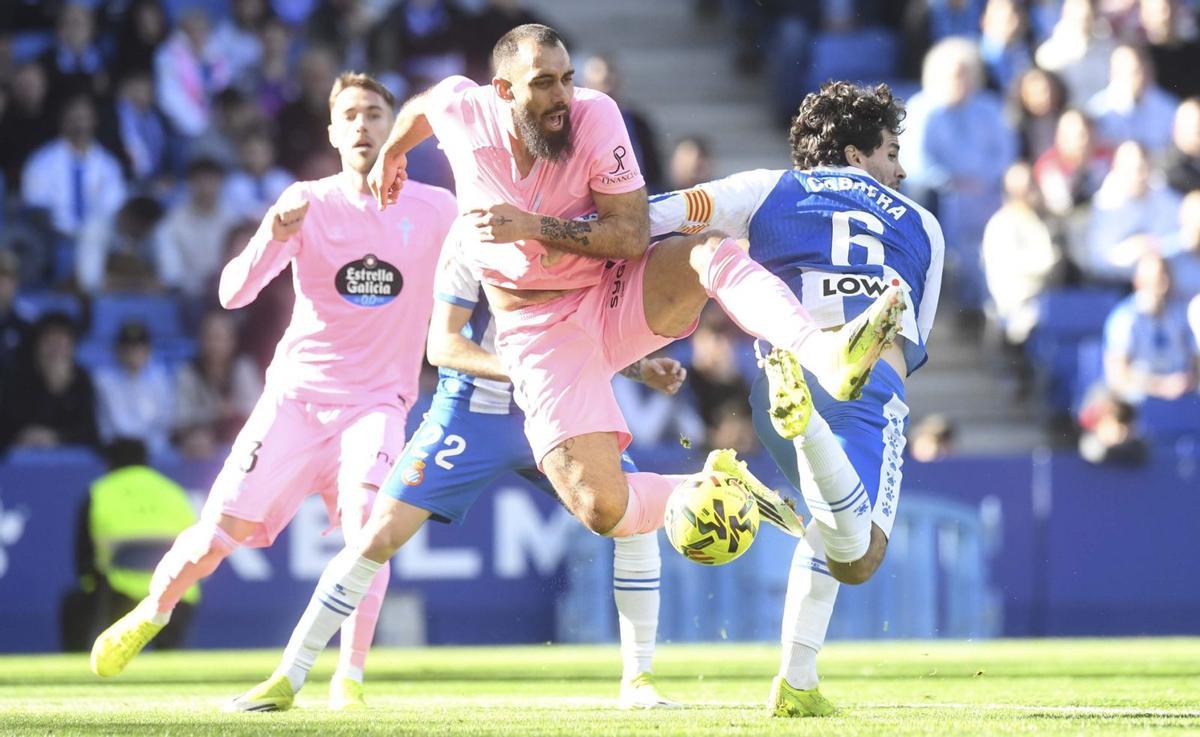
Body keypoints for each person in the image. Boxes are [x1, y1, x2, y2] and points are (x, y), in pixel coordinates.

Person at [227, 24, 906, 712]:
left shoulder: (595, 118)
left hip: (609, 290)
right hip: (534, 336)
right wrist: (393, 154)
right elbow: (428, 107)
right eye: (544, 83)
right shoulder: (464, 122)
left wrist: (535, 227)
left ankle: (821, 352)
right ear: (501, 92)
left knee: (707, 253)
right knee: (602, 509)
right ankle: (709, 488)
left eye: (567, 77)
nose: (563, 96)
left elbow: (633, 233)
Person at [88, 72, 458, 715]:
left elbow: (496, 261)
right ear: (334, 132)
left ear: (398, 127)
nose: (365, 125)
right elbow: (232, 294)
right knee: (213, 539)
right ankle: (152, 611)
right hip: (295, 400)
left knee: (372, 531)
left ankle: (350, 679)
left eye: (377, 113)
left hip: (377, 403)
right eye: (351, 115)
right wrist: (274, 234)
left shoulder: (437, 209)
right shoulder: (306, 202)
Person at [231, 239, 688, 711]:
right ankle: (289, 675)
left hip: (561, 409)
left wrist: (638, 367)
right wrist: (528, 372)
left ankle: (639, 680)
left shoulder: (577, 235)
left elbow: (584, 330)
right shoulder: (472, 241)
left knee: (634, 523)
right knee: (379, 535)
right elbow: (443, 345)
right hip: (473, 415)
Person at [647, 81, 943, 717]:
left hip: (779, 372)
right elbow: (910, 338)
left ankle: (798, 683)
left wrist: (571, 233)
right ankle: (808, 430)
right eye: (892, 150)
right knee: (859, 555)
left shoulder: (766, 187)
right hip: (865, 390)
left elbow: (662, 212)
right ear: (856, 152)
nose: (902, 167)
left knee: (830, 520)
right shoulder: (923, 224)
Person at [61, 439, 198, 652]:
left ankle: (80, 661)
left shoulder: (100, 492)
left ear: (109, 462)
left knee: (73, 602)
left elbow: (84, 555)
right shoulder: (174, 492)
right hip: (177, 593)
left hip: (120, 592)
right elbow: (199, 543)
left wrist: (91, 587)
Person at [0, 311, 99, 453]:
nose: (55, 350)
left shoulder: (81, 379)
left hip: (70, 462)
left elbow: (90, 433)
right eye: (50, 342)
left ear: (72, 348)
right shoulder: (15, 378)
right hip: (20, 462)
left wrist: (56, 437)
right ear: (37, 345)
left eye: (62, 342)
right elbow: (8, 428)